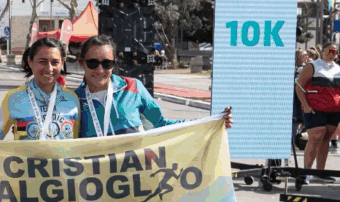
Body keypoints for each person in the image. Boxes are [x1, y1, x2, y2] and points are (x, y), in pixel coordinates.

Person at [74, 35, 232, 137]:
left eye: (107, 63)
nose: (100, 70)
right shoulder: (73, 100)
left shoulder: (133, 87)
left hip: (133, 179)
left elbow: (161, 125)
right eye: (93, 63)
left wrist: (211, 123)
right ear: (82, 63)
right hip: (94, 181)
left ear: (114, 64)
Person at [0, 37, 81, 141]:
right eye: (42, 62)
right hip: (25, 164)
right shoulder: (15, 98)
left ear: (62, 64)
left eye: (55, 62)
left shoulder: (72, 99)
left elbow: (78, 142)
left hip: (64, 164)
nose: (49, 68)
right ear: (30, 62)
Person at [295, 42, 340, 181]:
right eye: (329, 50)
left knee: (325, 141)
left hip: (334, 111)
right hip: (315, 109)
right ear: (323, 51)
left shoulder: (338, 68)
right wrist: (305, 105)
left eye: (335, 52)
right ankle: (305, 173)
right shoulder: (312, 66)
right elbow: (299, 86)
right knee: (315, 139)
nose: (332, 54)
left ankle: (320, 172)